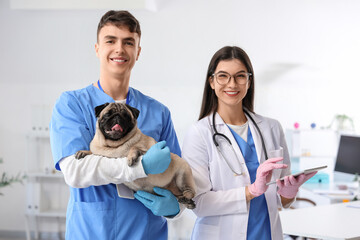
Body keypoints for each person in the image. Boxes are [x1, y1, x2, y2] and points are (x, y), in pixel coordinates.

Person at [50, 10, 181, 240]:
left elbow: (176, 177)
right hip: (91, 232)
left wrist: (175, 209)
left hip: (146, 233)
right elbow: (75, 171)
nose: (119, 49)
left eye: (128, 42)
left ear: (138, 52)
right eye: (110, 41)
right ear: (97, 48)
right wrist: (140, 167)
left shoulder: (159, 112)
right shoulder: (72, 105)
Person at [182, 46, 316, 240]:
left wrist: (290, 191)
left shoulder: (271, 127)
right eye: (223, 76)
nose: (232, 84)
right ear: (211, 81)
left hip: (267, 233)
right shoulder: (199, 133)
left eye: (240, 76)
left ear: (249, 81)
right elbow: (198, 203)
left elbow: (281, 201)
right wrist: (251, 191)